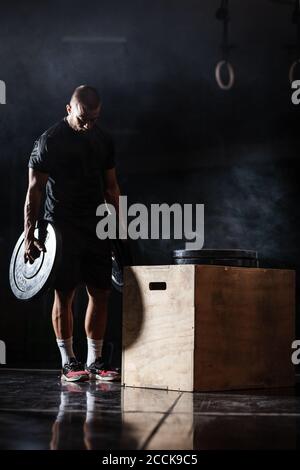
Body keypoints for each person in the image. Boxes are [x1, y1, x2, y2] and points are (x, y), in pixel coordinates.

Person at [23, 85, 121, 382]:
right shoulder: (49, 141)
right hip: (61, 225)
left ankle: (95, 361)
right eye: (83, 118)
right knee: (65, 294)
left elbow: (111, 188)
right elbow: (34, 190)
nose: (88, 124)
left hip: (96, 225)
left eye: (94, 118)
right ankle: (68, 363)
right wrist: (29, 235)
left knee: (101, 292)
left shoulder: (103, 140)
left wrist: (116, 229)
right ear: (69, 109)